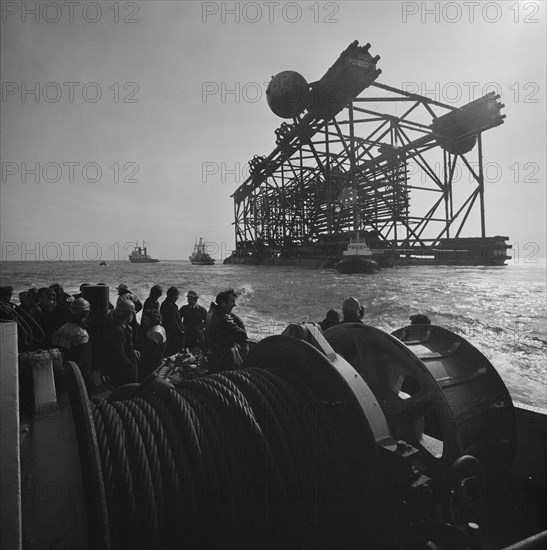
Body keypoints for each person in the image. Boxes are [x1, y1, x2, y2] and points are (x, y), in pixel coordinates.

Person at [52, 298, 96, 389]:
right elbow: (81, 359)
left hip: (63, 370)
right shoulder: (81, 333)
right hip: (78, 376)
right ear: (86, 313)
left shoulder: (62, 328)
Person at [204, 289, 249, 373]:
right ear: (222, 302)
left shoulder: (211, 313)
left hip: (212, 356)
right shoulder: (224, 318)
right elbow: (241, 335)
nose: (234, 304)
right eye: (232, 302)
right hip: (223, 360)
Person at [101, 299, 139, 388]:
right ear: (129, 314)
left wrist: (133, 351)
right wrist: (131, 368)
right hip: (123, 373)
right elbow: (119, 354)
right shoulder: (118, 331)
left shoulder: (120, 327)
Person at [136, 308, 166, 379]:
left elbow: (151, 354)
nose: (144, 321)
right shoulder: (161, 328)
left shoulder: (154, 333)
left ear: (152, 320)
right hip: (155, 363)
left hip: (150, 367)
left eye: (146, 319)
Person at [160, 286, 185, 357]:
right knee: (172, 353)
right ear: (174, 296)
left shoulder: (168, 304)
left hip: (171, 333)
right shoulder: (168, 305)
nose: (177, 298)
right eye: (177, 296)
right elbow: (172, 321)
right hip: (172, 334)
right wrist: (180, 331)